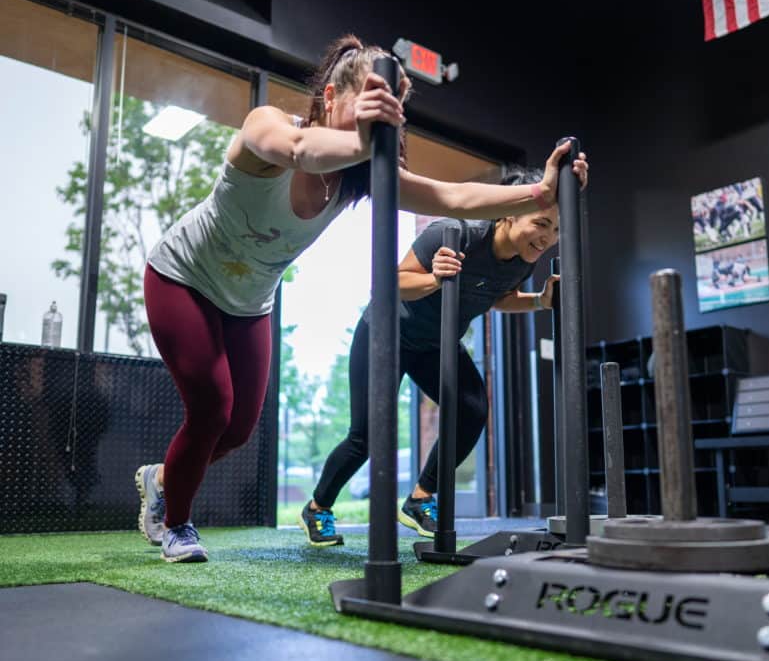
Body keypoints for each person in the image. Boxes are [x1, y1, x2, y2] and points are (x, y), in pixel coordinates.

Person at [133, 34, 589, 563]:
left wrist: (540, 192)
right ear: (329, 98)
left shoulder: (357, 175)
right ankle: (176, 524)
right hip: (182, 277)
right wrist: (368, 142)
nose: (370, 130)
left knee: (235, 431)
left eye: (384, 117)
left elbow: (453, 196)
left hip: (249, 302)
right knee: (212, 407)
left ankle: (162, 477)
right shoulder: (269, 126)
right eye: (363, 111)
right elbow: (301, 152)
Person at [298, 164, 582, 545]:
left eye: (557, 231)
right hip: (387, 332)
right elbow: (390, 283)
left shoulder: (523, 260)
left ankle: (420, 498)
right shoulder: (455, 234)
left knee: (472, 409)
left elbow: (496, 297)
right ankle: (317, 507)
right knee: (367, 435)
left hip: (435, 343)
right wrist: (434, 279)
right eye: (542, 224)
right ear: (510, 212)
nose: (547, 238)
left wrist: (540, 302)